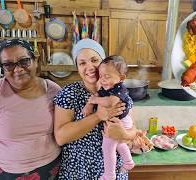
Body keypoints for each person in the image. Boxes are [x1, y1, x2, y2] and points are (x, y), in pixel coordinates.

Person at [0, 39, 61, 180]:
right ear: (2, 68)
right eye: (8, 65)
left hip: (50, 171)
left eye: (24, 61)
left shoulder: (53, 90)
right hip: (5, 174)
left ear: (35, 61)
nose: (18, 69)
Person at [54, 39, 138, 179]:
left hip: (113, 170)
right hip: (79, 171)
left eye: (94, 60)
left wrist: (124, 134)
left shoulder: (118, 91)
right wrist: (98, 116)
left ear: (104, 64)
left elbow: (133, 130)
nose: (90, 67)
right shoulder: (69, 93)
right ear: (77, 67)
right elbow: (60, 138)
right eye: (82, 63)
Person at [82, 55, 135, 179]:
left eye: (107, 76)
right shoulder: (107, 87)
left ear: (121, 78)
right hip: (117, 120)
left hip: (122, 121)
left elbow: (110, 102)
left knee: (107, 147)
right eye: (101, 76)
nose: (103, 80)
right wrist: (89, 105)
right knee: (119, 144)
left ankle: (109, 175)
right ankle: (128, 162)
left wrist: (95, 100)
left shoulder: (119, 89)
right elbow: (97, 94)